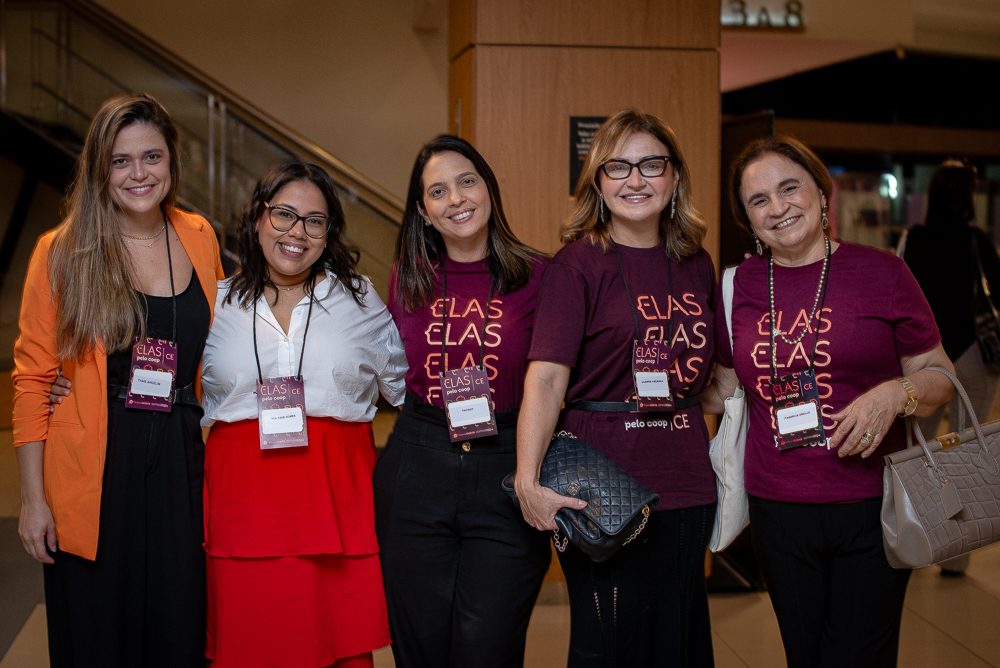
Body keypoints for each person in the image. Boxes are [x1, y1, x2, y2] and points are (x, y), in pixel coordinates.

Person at [701, 136, 955, 668]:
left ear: (821, 191)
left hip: (874, 503)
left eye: (789, 188)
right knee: (805, 655)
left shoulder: (883, 272)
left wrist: (897, 392)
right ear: (747, 218)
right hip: (777, 510)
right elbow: (722, 389)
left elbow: (940, 377)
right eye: (759, 200)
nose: (778, 207)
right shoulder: (735, 285)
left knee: (861, 656)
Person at [12, 94, 224, 666]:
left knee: (180, 626)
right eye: (121, 160)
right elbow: (33, 380)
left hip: (181, 452)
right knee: (99, 633)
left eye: (151, 157)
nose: (139, 174)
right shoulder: (62, 252)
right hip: (96, 462)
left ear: (172, 163)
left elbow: (223, 345)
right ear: (99, 167)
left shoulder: (198, 235)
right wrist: (33, 502)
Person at [515, 108, 718, 667]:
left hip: (686, 480)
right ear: (598, 184)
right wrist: (529, 482)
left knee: (681, 638)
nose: (635, 180)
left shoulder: (696, 264)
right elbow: (547, 379)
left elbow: (716, 377)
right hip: (601, 487)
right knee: (609, 642)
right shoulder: (577, 265)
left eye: (651, 164)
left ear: (674, 177)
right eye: (618, 167)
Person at [198, 159, 405, 667]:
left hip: (335, 497)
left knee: (339, 648)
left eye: (315, 221)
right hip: (242, 503)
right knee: (249, 645)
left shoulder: (358, 300)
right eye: (284, 214)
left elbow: (405, 389)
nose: (297, 232)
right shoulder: (216, 301)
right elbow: (171, 381)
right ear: (257, 217)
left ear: (328, 232)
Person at [373, 135, 552, 668]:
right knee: (420, 649)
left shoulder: (541, 276)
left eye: (466, 181)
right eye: (437, 191)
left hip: (507, 467)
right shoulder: (408, 279)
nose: (456, 198)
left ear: (488, 189)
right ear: (423, 212)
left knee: (487, 649)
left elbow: (556, 381)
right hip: (417, 464)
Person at [900, 158, 1000, 574]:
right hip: (972, 356)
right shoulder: (976, 239)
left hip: (921, 361)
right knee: (969, 453)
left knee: (914, 453)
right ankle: (957, 559)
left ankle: (909, 540)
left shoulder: (914, 239)